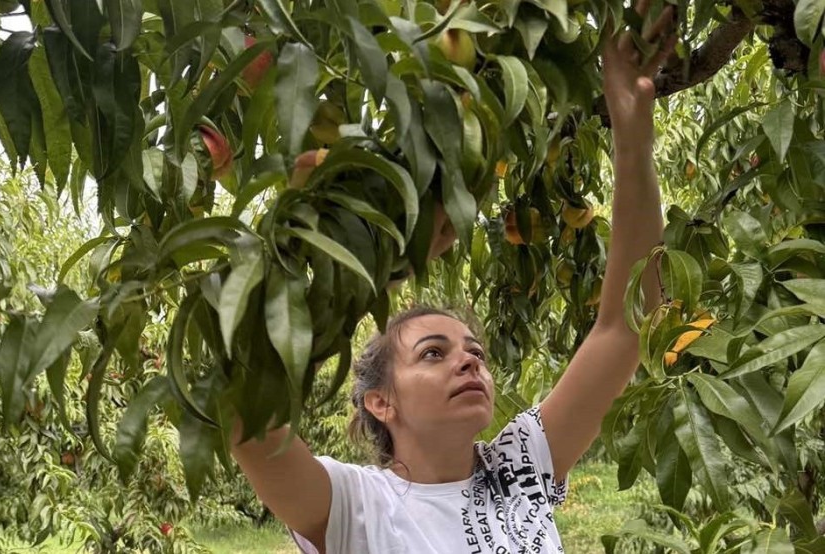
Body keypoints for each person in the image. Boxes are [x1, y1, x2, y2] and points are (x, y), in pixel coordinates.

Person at [230, 1, 677, 552]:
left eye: (475, 352)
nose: (470, 360)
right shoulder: (355, 505)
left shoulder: (519, 468)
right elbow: (244, 420)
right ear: (380, 403)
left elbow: (625, 327)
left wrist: (633, 142)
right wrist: (357, 273)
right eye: (433, 354)